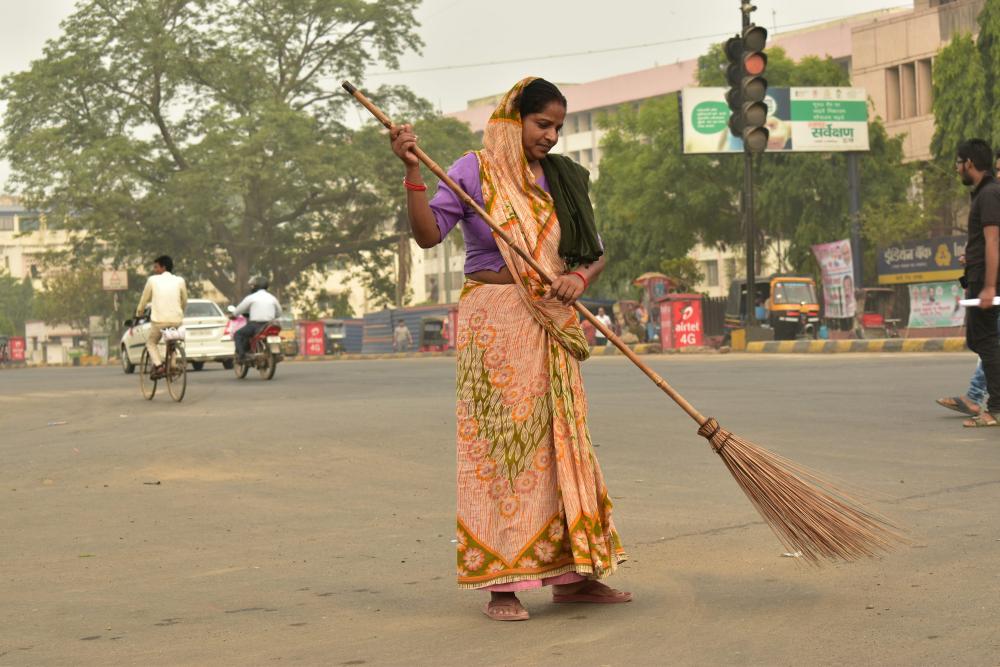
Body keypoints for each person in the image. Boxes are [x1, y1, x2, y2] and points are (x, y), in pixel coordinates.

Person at [389, 77, 630, 622]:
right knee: (502, 450)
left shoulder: (563, 178)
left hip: (550, 320)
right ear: (512, 117)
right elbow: (429, 236)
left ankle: (573, 577)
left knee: (561, 444)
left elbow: (594, 252)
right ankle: (502, 584)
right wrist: (411, 172)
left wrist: (579, 279)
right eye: (542, 124)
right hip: (494, 322)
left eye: (558, 127)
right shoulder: (474, 169)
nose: (551, 136)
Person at [955, 138, 1000, 427]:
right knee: (980, 340)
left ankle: (995, 408)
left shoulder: (990, 194)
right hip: (979, 275)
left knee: (986, 341)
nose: (957, 169)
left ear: (969, 163)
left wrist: (989, 286)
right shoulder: (986, 193)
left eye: (959, 163)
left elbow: (993, 240)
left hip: (986, 281)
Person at [135, 255, 187, 379]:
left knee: (151, 343)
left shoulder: (152, 280)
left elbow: (144, 299)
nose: (154, 270)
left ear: (163, 267)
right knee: (171, 341)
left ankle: (159, 366)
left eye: (156, 267)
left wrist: (139, 312)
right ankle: (173, 364)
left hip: (159, 321)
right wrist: (180, 312)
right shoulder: (180, 280)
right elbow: (184, 300)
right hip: (176, 320)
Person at [232, 276, 282, 363]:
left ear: (256, 286)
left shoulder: (252, 297)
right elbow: (279, 313)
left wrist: (234, 315)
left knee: (238, 334)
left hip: (255, 325)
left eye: (253, 285)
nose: (251, 287)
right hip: (270, 324)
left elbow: (239, 309)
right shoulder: (272, 297)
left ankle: (242, 356)